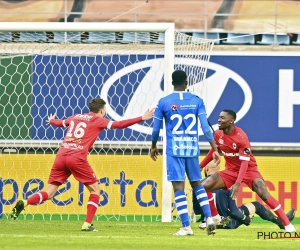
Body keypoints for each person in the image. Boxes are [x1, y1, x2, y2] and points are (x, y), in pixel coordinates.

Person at [10, 98, 154, 232]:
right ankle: (87, 224)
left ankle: (25, 201)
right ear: (102, 111)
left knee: (49, 193)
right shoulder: (98, 120)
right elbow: (119, 125)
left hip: (61, 156)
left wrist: (52, 120)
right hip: (76, 158)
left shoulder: (76, 117)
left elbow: (61, 123)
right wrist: (142, 118)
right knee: (95, 190)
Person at [200, 109, 296, 232]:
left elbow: (244, 163)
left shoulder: (242, 137)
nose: (219, 120)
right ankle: (215, 217)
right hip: (230, 170)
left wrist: (237, 183)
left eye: (222, 118)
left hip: (249, 170)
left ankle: (288, 225)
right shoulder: (218, 134)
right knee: (203, 186)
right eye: (219, 117)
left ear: (231, 121)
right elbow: (214, 151)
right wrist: (201, 165)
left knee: (263, 193)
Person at [150, 70, 220, 236]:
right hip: (192, 149)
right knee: (197, 184)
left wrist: (153, 145)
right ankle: (209, 218)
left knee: (178, 187)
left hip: (174, 150)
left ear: (171, 82)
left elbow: (155, 129)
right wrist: (215, 149)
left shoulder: (163, 102)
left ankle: (186, 227)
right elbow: (205, 128)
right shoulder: (197, 101)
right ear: (186, 82)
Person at [196, 189, 296, 230]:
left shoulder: (199, 186)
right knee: (256, 205)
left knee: (243, 207)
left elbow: (196, 211)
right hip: (227, 222)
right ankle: (280, 221)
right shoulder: (225, 185)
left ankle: (280, 222)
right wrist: (245, 219)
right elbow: (234, 212)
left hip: (208, 222)